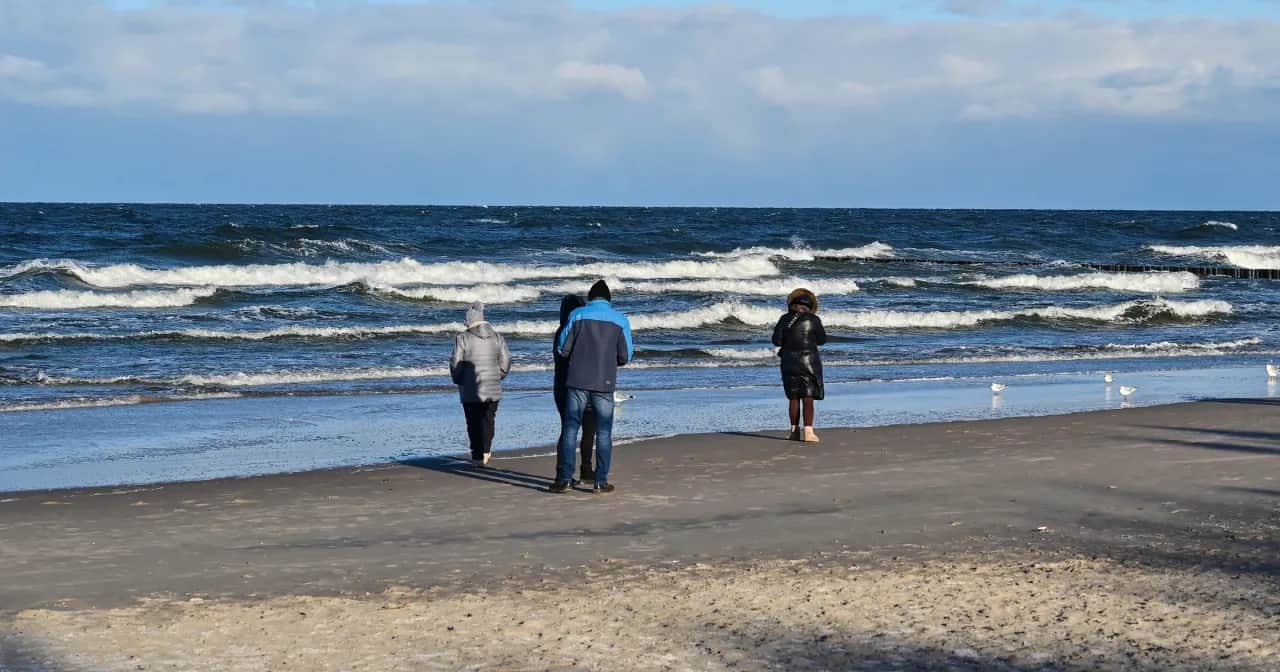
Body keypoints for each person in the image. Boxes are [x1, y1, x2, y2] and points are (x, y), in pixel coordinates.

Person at [550, 279, 633, 494]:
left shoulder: (576, 316)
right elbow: (625, 356)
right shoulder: (620, 320)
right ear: (608, 299)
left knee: (570, 429)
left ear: (590, 298)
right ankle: (600, 481)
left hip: (577, 381)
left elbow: (562, 349)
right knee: (603, 432)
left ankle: (565, 479)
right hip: (604, 384)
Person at [450, 302, 512, 466]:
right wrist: (498, 376)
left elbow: (456, 363)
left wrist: (459, 380)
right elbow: (506, 361)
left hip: (471, 388)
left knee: (473, 421)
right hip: (493, 387)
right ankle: (486, 451)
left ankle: (477, 455)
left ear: (469, 321)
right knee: (488, 419)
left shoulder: (462, 338)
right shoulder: (498, 337)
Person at [772, 288, 826, 443]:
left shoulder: (784, 319)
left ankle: (794, 431)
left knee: (793, 397)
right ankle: (809, 431)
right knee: (808, 396)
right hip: (809, 361)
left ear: (792, 304)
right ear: (809, 307)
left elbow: (776, 341)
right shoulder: (813, 319)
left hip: (788, 361)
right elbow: (822, 340)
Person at [554, 294, 597, 485]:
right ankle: (578, 470)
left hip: (563, 386)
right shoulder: (577, 331)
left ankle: (567, 472)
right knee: (586, 429)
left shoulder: (561, 331)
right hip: (579, 385)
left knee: (571, 429)